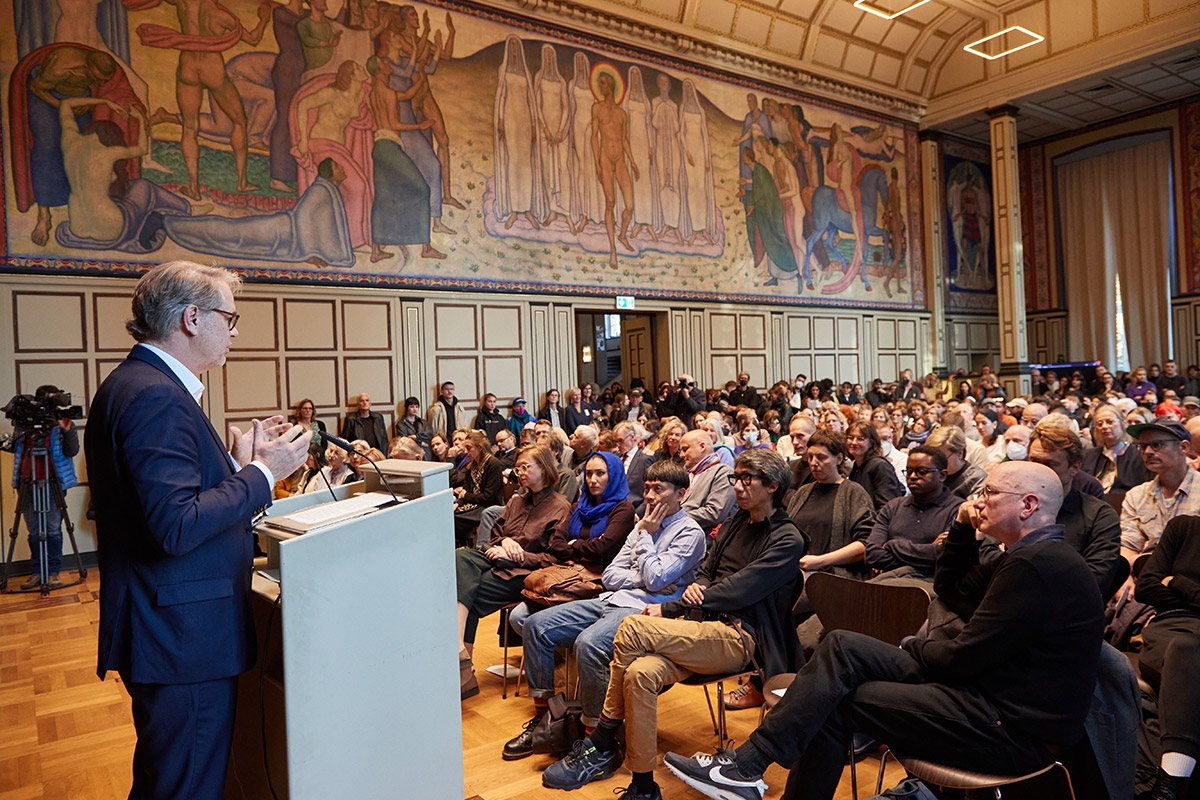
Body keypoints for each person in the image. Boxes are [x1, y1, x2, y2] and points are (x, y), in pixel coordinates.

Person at [666, 461, 1106, 800]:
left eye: (990, 493)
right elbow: (952, 591)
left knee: (838, 701)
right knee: (840, 644)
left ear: (1028, 505)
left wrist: (916, 645)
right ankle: (747, 767)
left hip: (1008, 728)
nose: (977, 500)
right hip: (983, 694)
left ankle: (747, 766)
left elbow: (962, 659)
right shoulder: (1025, 556)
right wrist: (960, 527)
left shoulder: (1037, 566)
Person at [85, 262, 310, 800]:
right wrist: (263, 474)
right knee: (185, 787)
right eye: (229, 317)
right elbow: (176, 526)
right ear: (192, 317)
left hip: (174, 629)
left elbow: (171, 502)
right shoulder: (156, 396)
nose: (235, 330)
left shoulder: (141, 384)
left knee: (171, 780)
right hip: (183, 637)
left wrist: (233, 468)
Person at [540, 449, 805, 799]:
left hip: (739, 638)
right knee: (639, 674)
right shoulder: (737, 523)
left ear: (772, 486)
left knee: (633, 627)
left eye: (745, 479)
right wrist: (701, 588)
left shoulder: (788, 539)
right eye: (734, 478)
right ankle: (643, 785)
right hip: (700, 627)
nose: (737, 487)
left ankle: (601, 740)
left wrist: (675, 606)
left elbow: (742, 589)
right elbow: (709, 570)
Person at [502, 460, 705, 760]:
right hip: (612, 598)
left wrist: (646, 539)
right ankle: (546, 720)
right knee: (535, 626)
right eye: (647, 489)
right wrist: (642, 575)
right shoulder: (642, 522)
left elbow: (657, 580)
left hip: (648, 612)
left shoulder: (690, 533)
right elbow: (611, 574)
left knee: (589, 644)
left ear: (682, 494)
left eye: (658, 490)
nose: (649, 497)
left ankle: (596, 738)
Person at [455, 443, 570, 699]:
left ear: (544, 467)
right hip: (499, 561)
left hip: (524, 574)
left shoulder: (560, 507)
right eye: (517, 467)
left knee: (467, 589)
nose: (520, 472)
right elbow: (495, 536)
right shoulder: (517, 500)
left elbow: (554, 558)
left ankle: (463, 673)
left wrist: (518, 554)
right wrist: (504, 543)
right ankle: (459, 652)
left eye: (526, 466)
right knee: (461, 556)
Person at [1134, 514, 1200, 800]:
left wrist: (1179, 584)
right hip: (1172, 627)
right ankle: (1170, 785)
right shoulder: (1184, 527)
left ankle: (1164, 784)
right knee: (1187, 648)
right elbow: (1146, 587)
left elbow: (1160, 585)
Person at [863, 444, 959, 591]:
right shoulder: (893, 506)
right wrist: (927, 553)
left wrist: (893, 545)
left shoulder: (957, 510)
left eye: (922, 472)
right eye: (909, 471)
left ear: (942, 475)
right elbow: (872, 555)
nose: (913, 477)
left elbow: (944, 556)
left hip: (930, 589)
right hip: (886, 585)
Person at [12, 386, 79, 590]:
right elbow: (16, 449)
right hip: (28, 481)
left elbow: (72, 450)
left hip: (53, 483)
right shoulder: (25, 424)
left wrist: (67, 430)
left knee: (52, 529)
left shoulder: (63, 423)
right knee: (34, 531)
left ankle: (53, 574)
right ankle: (37, 573)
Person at [1121, 419, 1200, 562]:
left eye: (1157, 445)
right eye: (1142, 446)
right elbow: (1129, 545)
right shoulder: (1136, 495)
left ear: (1184, 447)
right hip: (1145, 575)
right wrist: (1127, 576)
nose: (1147, 452)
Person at [678, 429, 738, 539]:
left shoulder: (723, 472)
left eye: (685, 449)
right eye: (680, 451)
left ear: (702, 447)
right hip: (676, 531)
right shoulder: (685, 473)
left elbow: (714, 513)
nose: (681, 455)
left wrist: (674, 517)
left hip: (701, 537)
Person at [1081, 403, 1150, 495]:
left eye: (1110, 422)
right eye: (1099, 424)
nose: (1104, 427)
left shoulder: (1138, 456)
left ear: (1123, 424)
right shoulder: (1088, 456)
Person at [452, 430, 505, 547]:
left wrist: (465, 496)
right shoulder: (471, 466)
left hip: (487, 507)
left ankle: (459, 549)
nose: (466, 452)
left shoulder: (493, 464)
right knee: (448, 513)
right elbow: (465, 490)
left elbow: (488, 497)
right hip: (474, 503)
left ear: (479, 447)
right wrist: (458, 503)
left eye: (469, 448)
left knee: (453, 519)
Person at [846, 420, 905, 511]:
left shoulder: (879, 466)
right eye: (850, 437)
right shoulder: (857, 466)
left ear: (872, 442)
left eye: (860, 439)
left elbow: (887, 506)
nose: (854, 442)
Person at [927, 425, 987, 499]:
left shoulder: (976, 479)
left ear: (960, 454)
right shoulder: (931, 473)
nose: (935, 464)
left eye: (941, 458)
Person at [614, 421, 651, 506]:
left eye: (620, 441)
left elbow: (650, 492)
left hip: (633, 507)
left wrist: (638, 513)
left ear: (632, 437)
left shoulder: (645, 460)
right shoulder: (615, 457)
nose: (617, 445)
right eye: (615, 441)